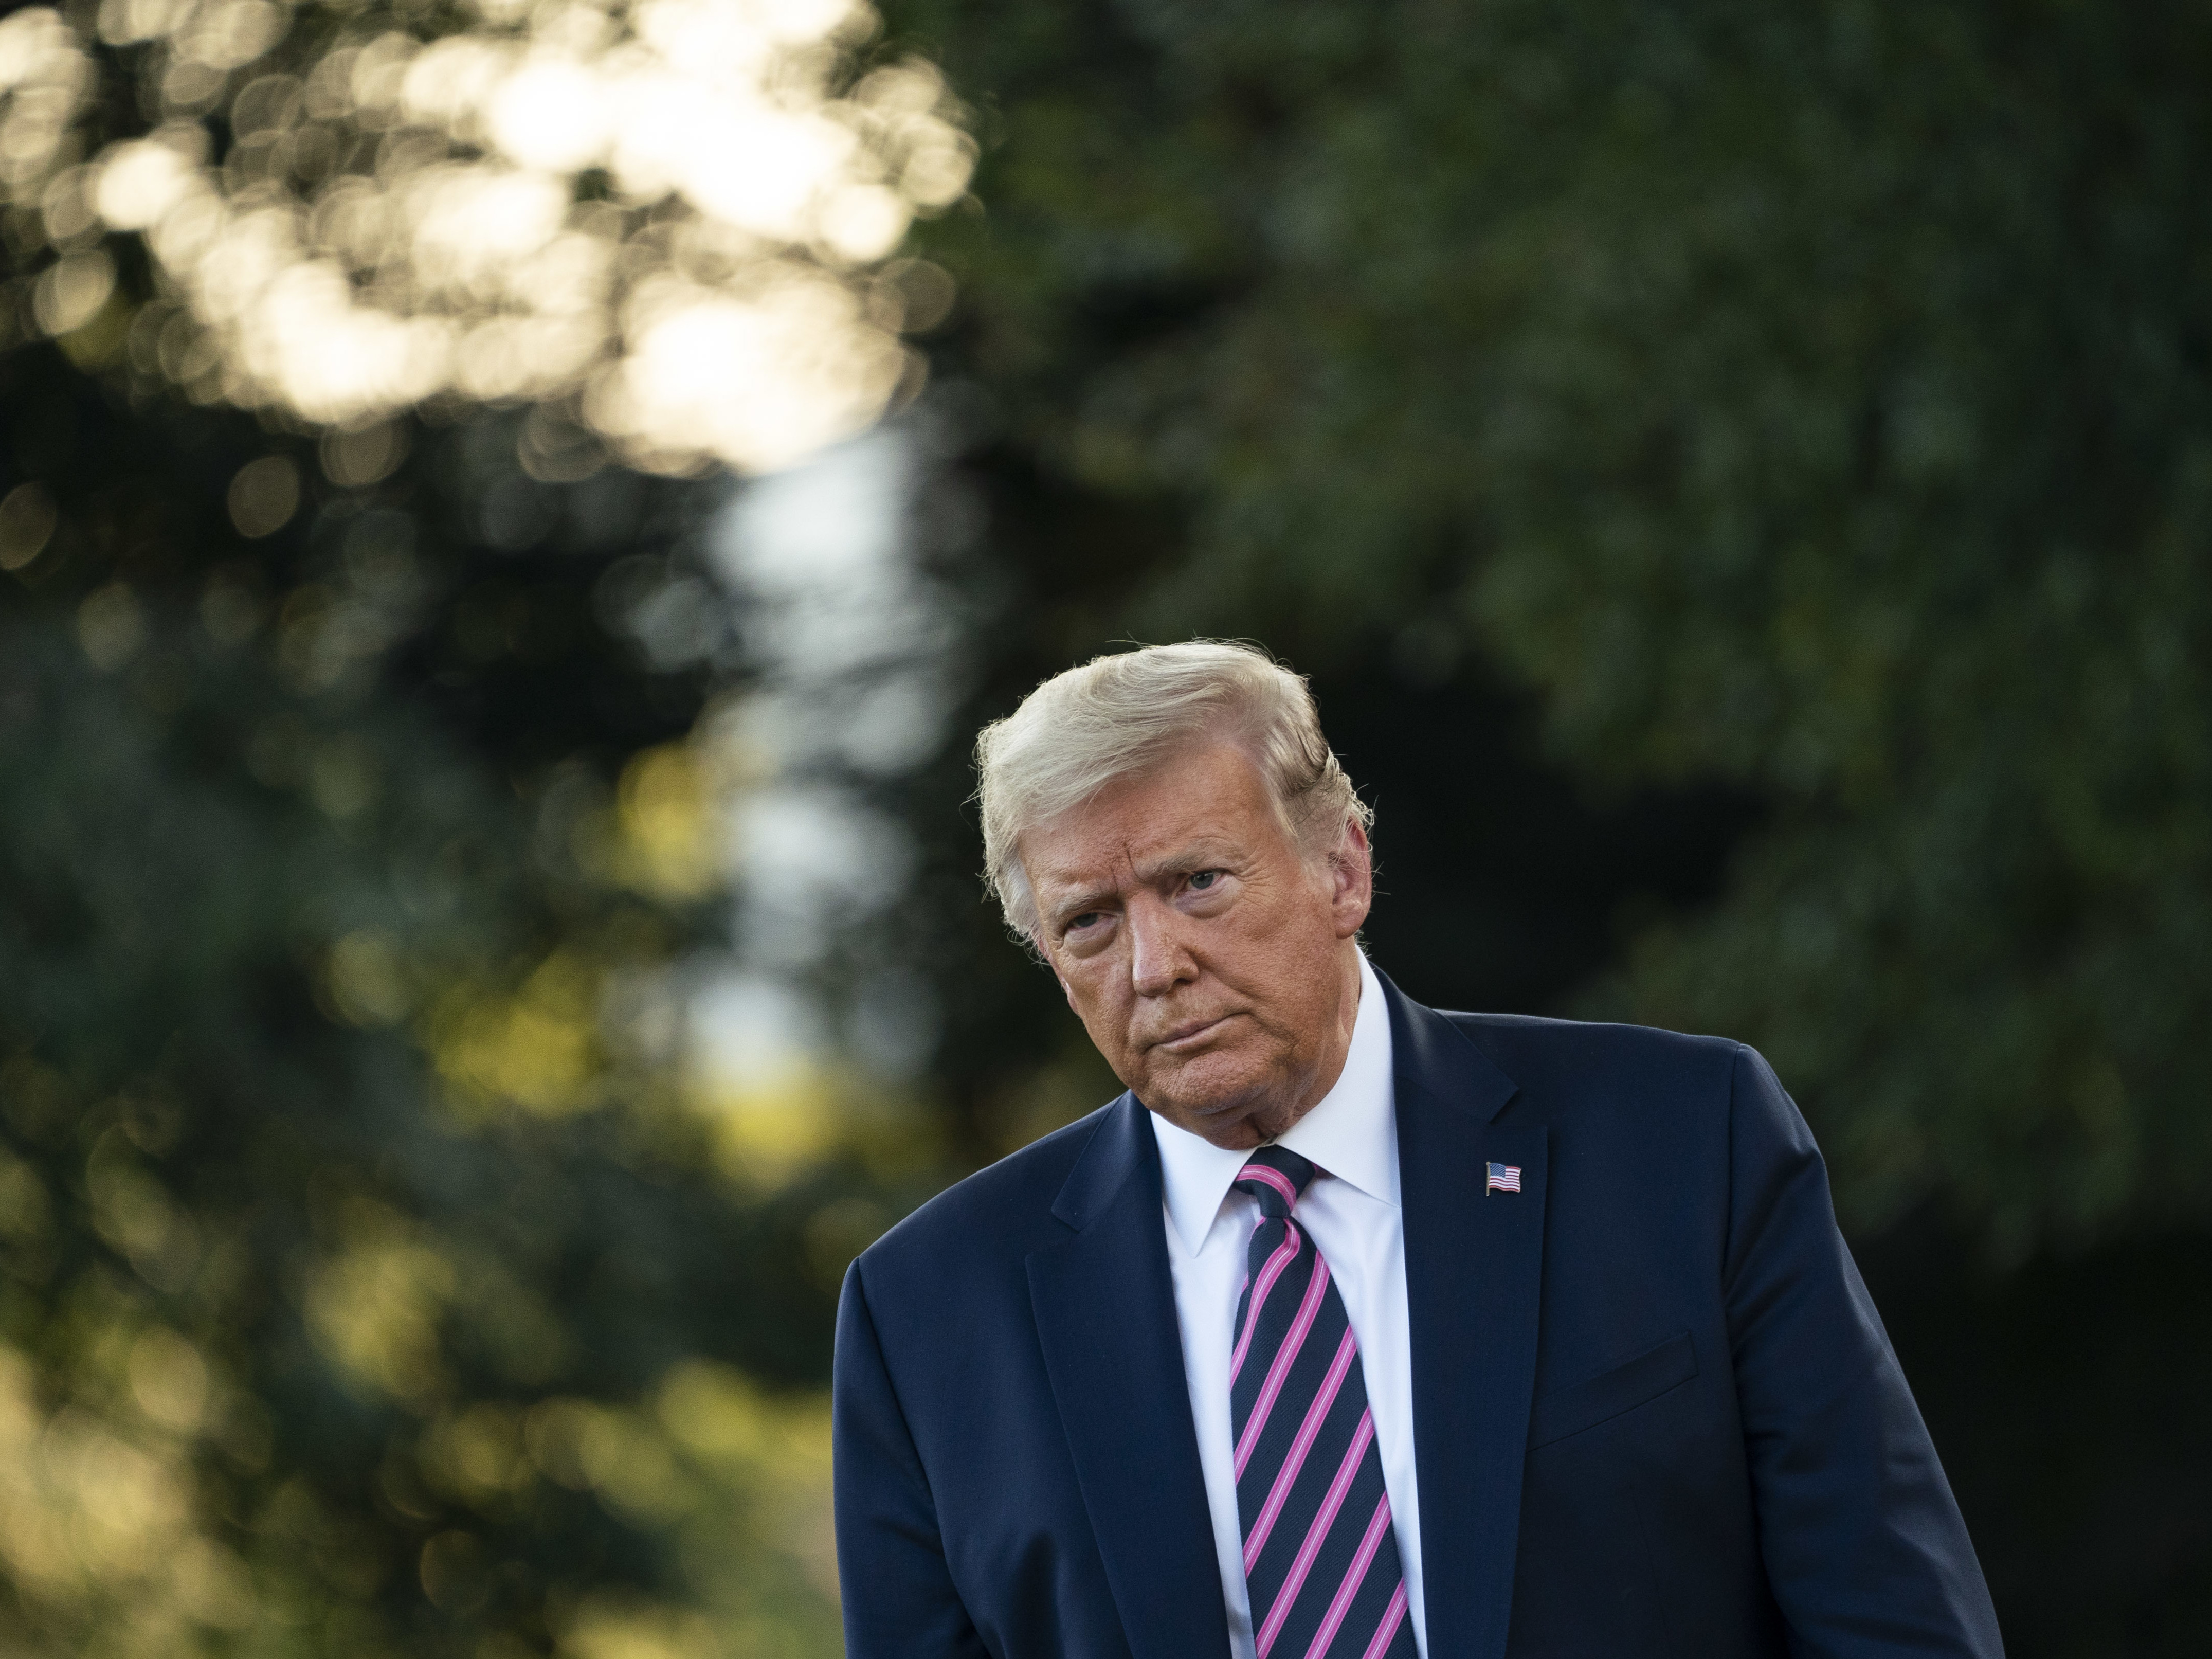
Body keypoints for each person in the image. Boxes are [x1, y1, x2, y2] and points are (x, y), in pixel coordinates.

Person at [831, 641, 2003, 1659]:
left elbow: (1889, 1615)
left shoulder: (1683, 1145)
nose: (1154, 965)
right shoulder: (930, 1310)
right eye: (1091, 920)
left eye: (1198, 883)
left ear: (1342, 867)